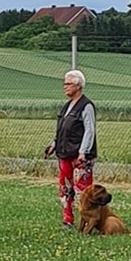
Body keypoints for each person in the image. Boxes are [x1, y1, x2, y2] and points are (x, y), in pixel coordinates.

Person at [45, 70, 97, 228]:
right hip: (64, 154)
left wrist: (83, 151)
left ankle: (88, 221)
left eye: (68, 84)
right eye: (64, 84)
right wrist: (53, 145)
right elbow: (62, 130)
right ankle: (67, 219)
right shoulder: (66, 106)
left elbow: (90, 130)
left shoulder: (86, 106)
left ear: (78, 85)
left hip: (80, 156)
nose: (65, 87)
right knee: (65, 188)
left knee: (83, 191)